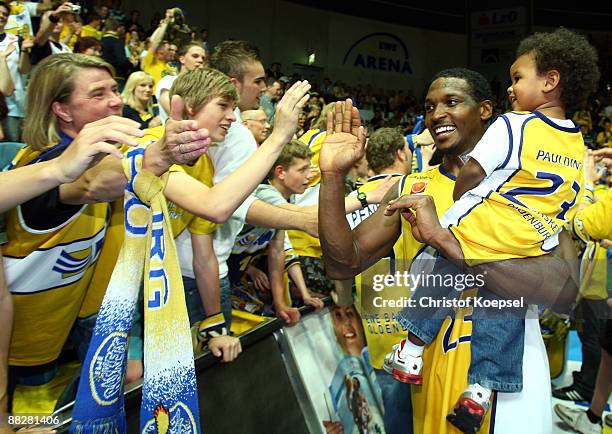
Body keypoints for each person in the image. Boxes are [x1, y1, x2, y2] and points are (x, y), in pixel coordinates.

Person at [319, 70, 578, 434]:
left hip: (506, 376)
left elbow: (564, 293)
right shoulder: (411, 187)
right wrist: (331, 177)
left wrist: (449, 244)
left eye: (452, 102)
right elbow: (341, 263)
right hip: (430, 364)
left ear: (486, 110)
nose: (436, 114)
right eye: (429, 107)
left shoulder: (529, 192)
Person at [382, 28, 599, 433]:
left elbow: (473, 175)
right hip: (528, 245)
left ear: (549, 81)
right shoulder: (576, 145)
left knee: (439, 263)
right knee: (504, 302)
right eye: (430, 107)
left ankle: (411, 347)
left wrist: (465, 211)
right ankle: (480, 388)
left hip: (481, 230)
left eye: (518, 78)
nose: (511, 88)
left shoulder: (513, 125)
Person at [2, 52, 205, 410]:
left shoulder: (108, 154)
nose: (115, 100)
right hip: (21, 349)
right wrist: (157, 155)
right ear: (61, 109)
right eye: (97, 94)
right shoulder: (44, 161)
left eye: (114, 89)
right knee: (32, 423)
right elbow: (90, 184)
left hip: (66, 333)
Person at [554, 147, 612, 434]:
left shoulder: (605, 196)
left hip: (602, 282)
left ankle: (585, 389)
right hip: (597, 278)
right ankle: (591, 407)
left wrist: (587, 183)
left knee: (595, 338)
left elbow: (582, 224)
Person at [156, 41, 205, 124]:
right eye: (195, 56)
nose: (200, 60)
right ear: (182, 59)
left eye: (203, 58)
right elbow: (174, 114)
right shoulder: (168, 81)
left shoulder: (203, 87)